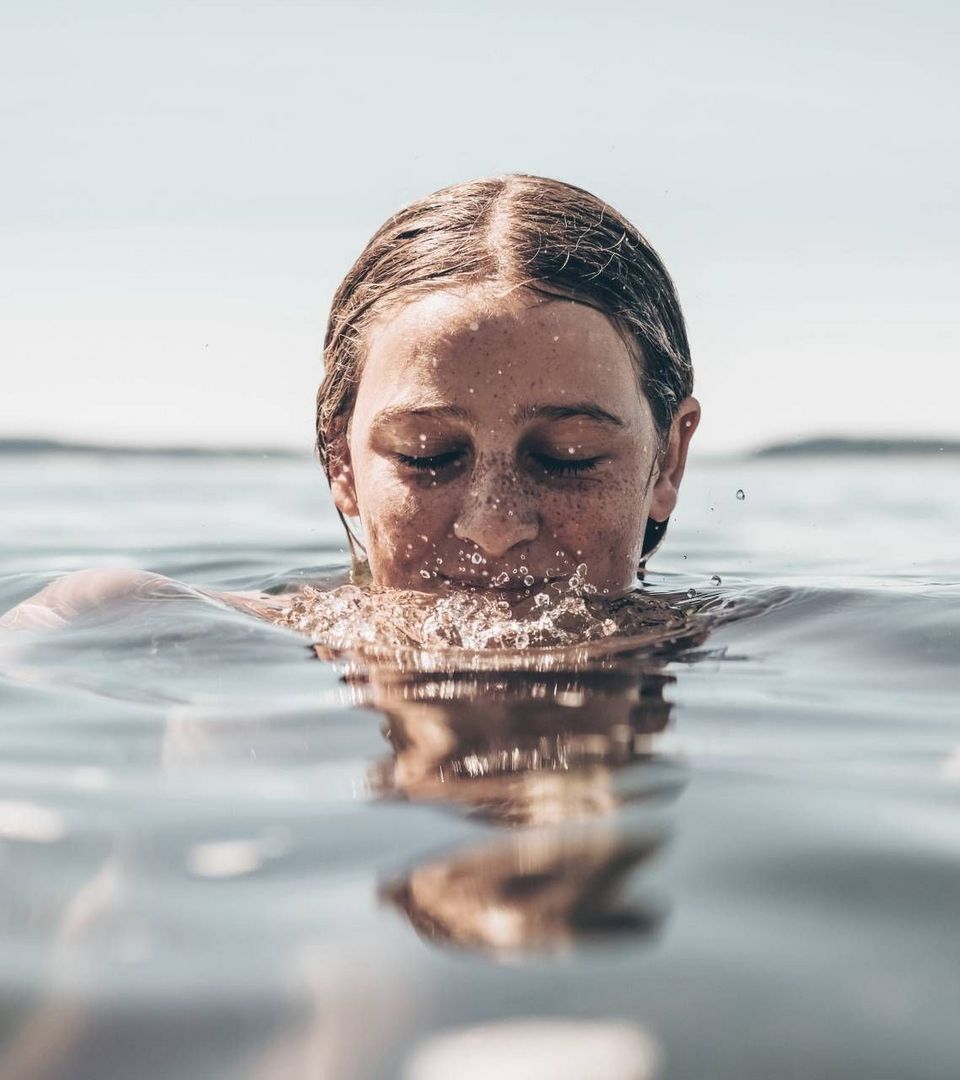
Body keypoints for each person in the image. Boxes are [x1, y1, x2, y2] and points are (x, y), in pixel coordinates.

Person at [0, 174, 699, 634]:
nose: (494, 525)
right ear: (340, 462)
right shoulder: (135, 625)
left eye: (567, 456)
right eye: (429, 456)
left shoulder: (768, 645)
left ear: (667, 461)